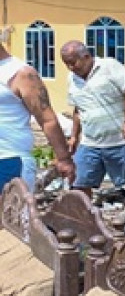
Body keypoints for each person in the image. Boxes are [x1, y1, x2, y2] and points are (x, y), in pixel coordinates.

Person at [60, 40, 125, 231]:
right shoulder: (72, 79)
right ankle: (88, 223)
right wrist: (74, 136)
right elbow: (78, 109)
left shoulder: (109, 66)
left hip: (120, 139)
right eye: (66, 63)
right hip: (90, 142)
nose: (70, 67)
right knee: (80, 181)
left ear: (86, 57)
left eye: (73, 62)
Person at [0, 26, 75, 192]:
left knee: (12, 217)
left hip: (10, 160)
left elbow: (47, 119)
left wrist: (63, 159)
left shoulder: (20, 74)